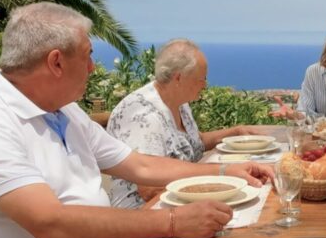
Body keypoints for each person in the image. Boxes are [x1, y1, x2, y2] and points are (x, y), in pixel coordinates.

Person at [0, 2, 273, 238]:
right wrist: (172, 222)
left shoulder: (64, 112)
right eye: (87, 55)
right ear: (56, 62)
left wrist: (223, 173)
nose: (93, 67)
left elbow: (138, 165)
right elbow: (50, 224)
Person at [107, 38, 261, 208]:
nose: (205, 86)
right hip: (143, 213)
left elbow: (195, 142)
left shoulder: (179, 102)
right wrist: (217, 182)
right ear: (179, 78)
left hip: (180, 200)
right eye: (201, 79)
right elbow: (149, 189)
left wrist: (235, 132)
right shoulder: (144, 115)